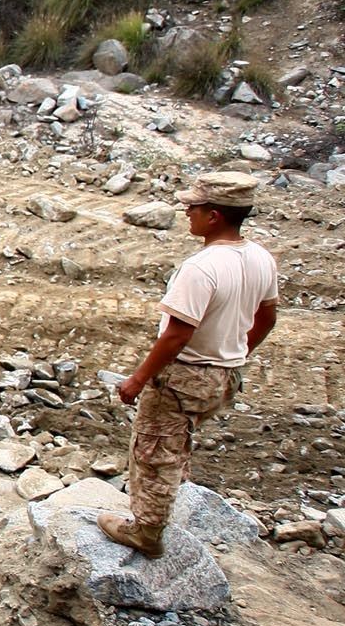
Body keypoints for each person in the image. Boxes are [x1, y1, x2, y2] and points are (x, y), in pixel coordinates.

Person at [100, 172, 279, 558]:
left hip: (185, 375)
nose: (186, 213)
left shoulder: (201, 267)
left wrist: (138, 378)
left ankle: (146, 531)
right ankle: (169, 499)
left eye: (192, 208)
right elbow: (267, 318)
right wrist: (237, 352)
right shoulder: (261, 258)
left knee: (153, 452)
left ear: (213, 215)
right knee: (177, 438)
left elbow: (176, 336)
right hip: (224, 375)